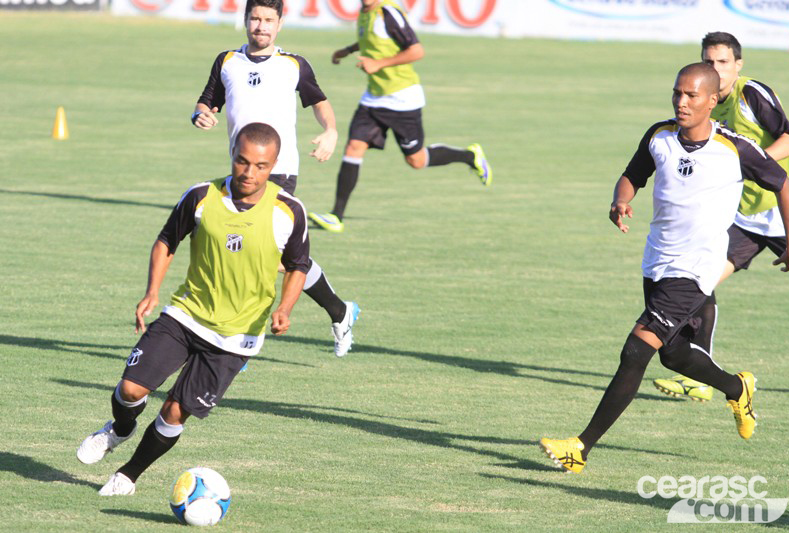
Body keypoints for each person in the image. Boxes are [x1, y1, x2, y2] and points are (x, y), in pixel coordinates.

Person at [539, 63, 789, 474]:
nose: (682, 101)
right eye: (677, 93)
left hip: (696, 269)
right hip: (657, 261)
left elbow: (783, 184)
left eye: (692, 95)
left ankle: (580, 448)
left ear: (713, 101)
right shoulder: (659, 136)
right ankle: (738, 387)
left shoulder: (735, 149)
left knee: (636, 350)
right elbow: (632, 175)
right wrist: (620, 199)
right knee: (675, 356)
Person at [77, 123, 308, 495]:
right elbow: (168, 240)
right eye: (242, 161)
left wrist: (285, 307)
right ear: (232, 153)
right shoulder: (201, 196)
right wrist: (152, 291)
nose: (249, 173)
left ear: (274, 164)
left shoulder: (289, 210)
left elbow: (299, 265)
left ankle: (128, 475)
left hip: (236, 337)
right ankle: (119, 429)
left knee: (173, 411)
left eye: (261, 166)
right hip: (186, 315)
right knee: (132, 389)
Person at [192, 0, 358, 357]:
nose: (261, 26)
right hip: (242, 171)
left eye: (268, 20)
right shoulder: (226, 62)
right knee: (278, 260)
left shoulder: (293, 65)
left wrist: (330, 131)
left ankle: (239, 342)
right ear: (245, 20)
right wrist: (200, 114)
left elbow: (319, 101)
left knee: (257, 252)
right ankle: (340, 311)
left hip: (280, 171)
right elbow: (207, 101)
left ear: (280, 24)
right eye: (255, 18)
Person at [653, 32, 789, 402]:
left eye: (722, 62)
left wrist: (751, 161)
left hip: (783, 212)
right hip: (745, 218)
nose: (715, 69)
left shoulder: (751, 94)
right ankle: (700, 373)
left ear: (738, 64)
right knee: (699, 281)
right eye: (709, 61)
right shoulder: (703, 101)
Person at [307, 0, 492, 234]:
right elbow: (374, 41)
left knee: (416, 160)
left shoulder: (388, 12)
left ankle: (469, 155)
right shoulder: (366, 12)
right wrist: (348, 50)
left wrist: (379, 64)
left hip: (402, 99)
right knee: (353, 147)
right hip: (373, 98)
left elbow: (416, 50)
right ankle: (336, 216)